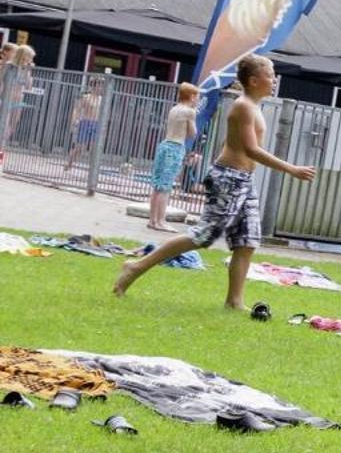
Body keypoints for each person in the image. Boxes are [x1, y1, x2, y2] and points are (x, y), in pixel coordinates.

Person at [112, 55, 316, 309]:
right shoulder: (243, 106)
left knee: (248, 240)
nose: (274, 80)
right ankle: (136, 266)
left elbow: (232, 144)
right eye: (270, 75)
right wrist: (291, 169)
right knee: (203, 235)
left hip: (243, 180)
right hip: (230, 179)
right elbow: (251, 150)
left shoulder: (253, 106)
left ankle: (234, 301)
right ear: (253, 81)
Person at [146, 82, 200, 230]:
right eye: (197, 97)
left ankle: (152, 220)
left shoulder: (174, 109)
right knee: (166, 186)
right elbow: (192, 133)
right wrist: (193, 115)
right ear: (191, 96)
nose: (198, 100)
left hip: (164, 145)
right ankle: (161, 221)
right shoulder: (190, 112)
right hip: (175, 147)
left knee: (157, 186)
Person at [64, 74, 106, 170]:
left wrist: (103, 127)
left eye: (102, 86)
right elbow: (77, 109)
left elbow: (103, 114)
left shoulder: (102, 100)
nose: (101, 88)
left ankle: (93, 169)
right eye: (99, 86)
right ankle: (69, 163)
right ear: (94, 86)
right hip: (86, 122)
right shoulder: (86, 97)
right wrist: (74, 120)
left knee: (94, 148)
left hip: (96, 124)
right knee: (79, 147)